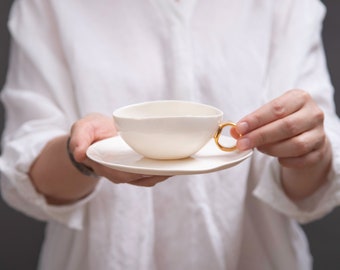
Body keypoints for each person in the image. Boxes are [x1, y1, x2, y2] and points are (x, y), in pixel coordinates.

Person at [1, 0, 340, 269]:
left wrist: (308, 149)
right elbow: (28, 171)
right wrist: (84, 157)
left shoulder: (287, 4)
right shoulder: (49, 5)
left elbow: (308, 188)